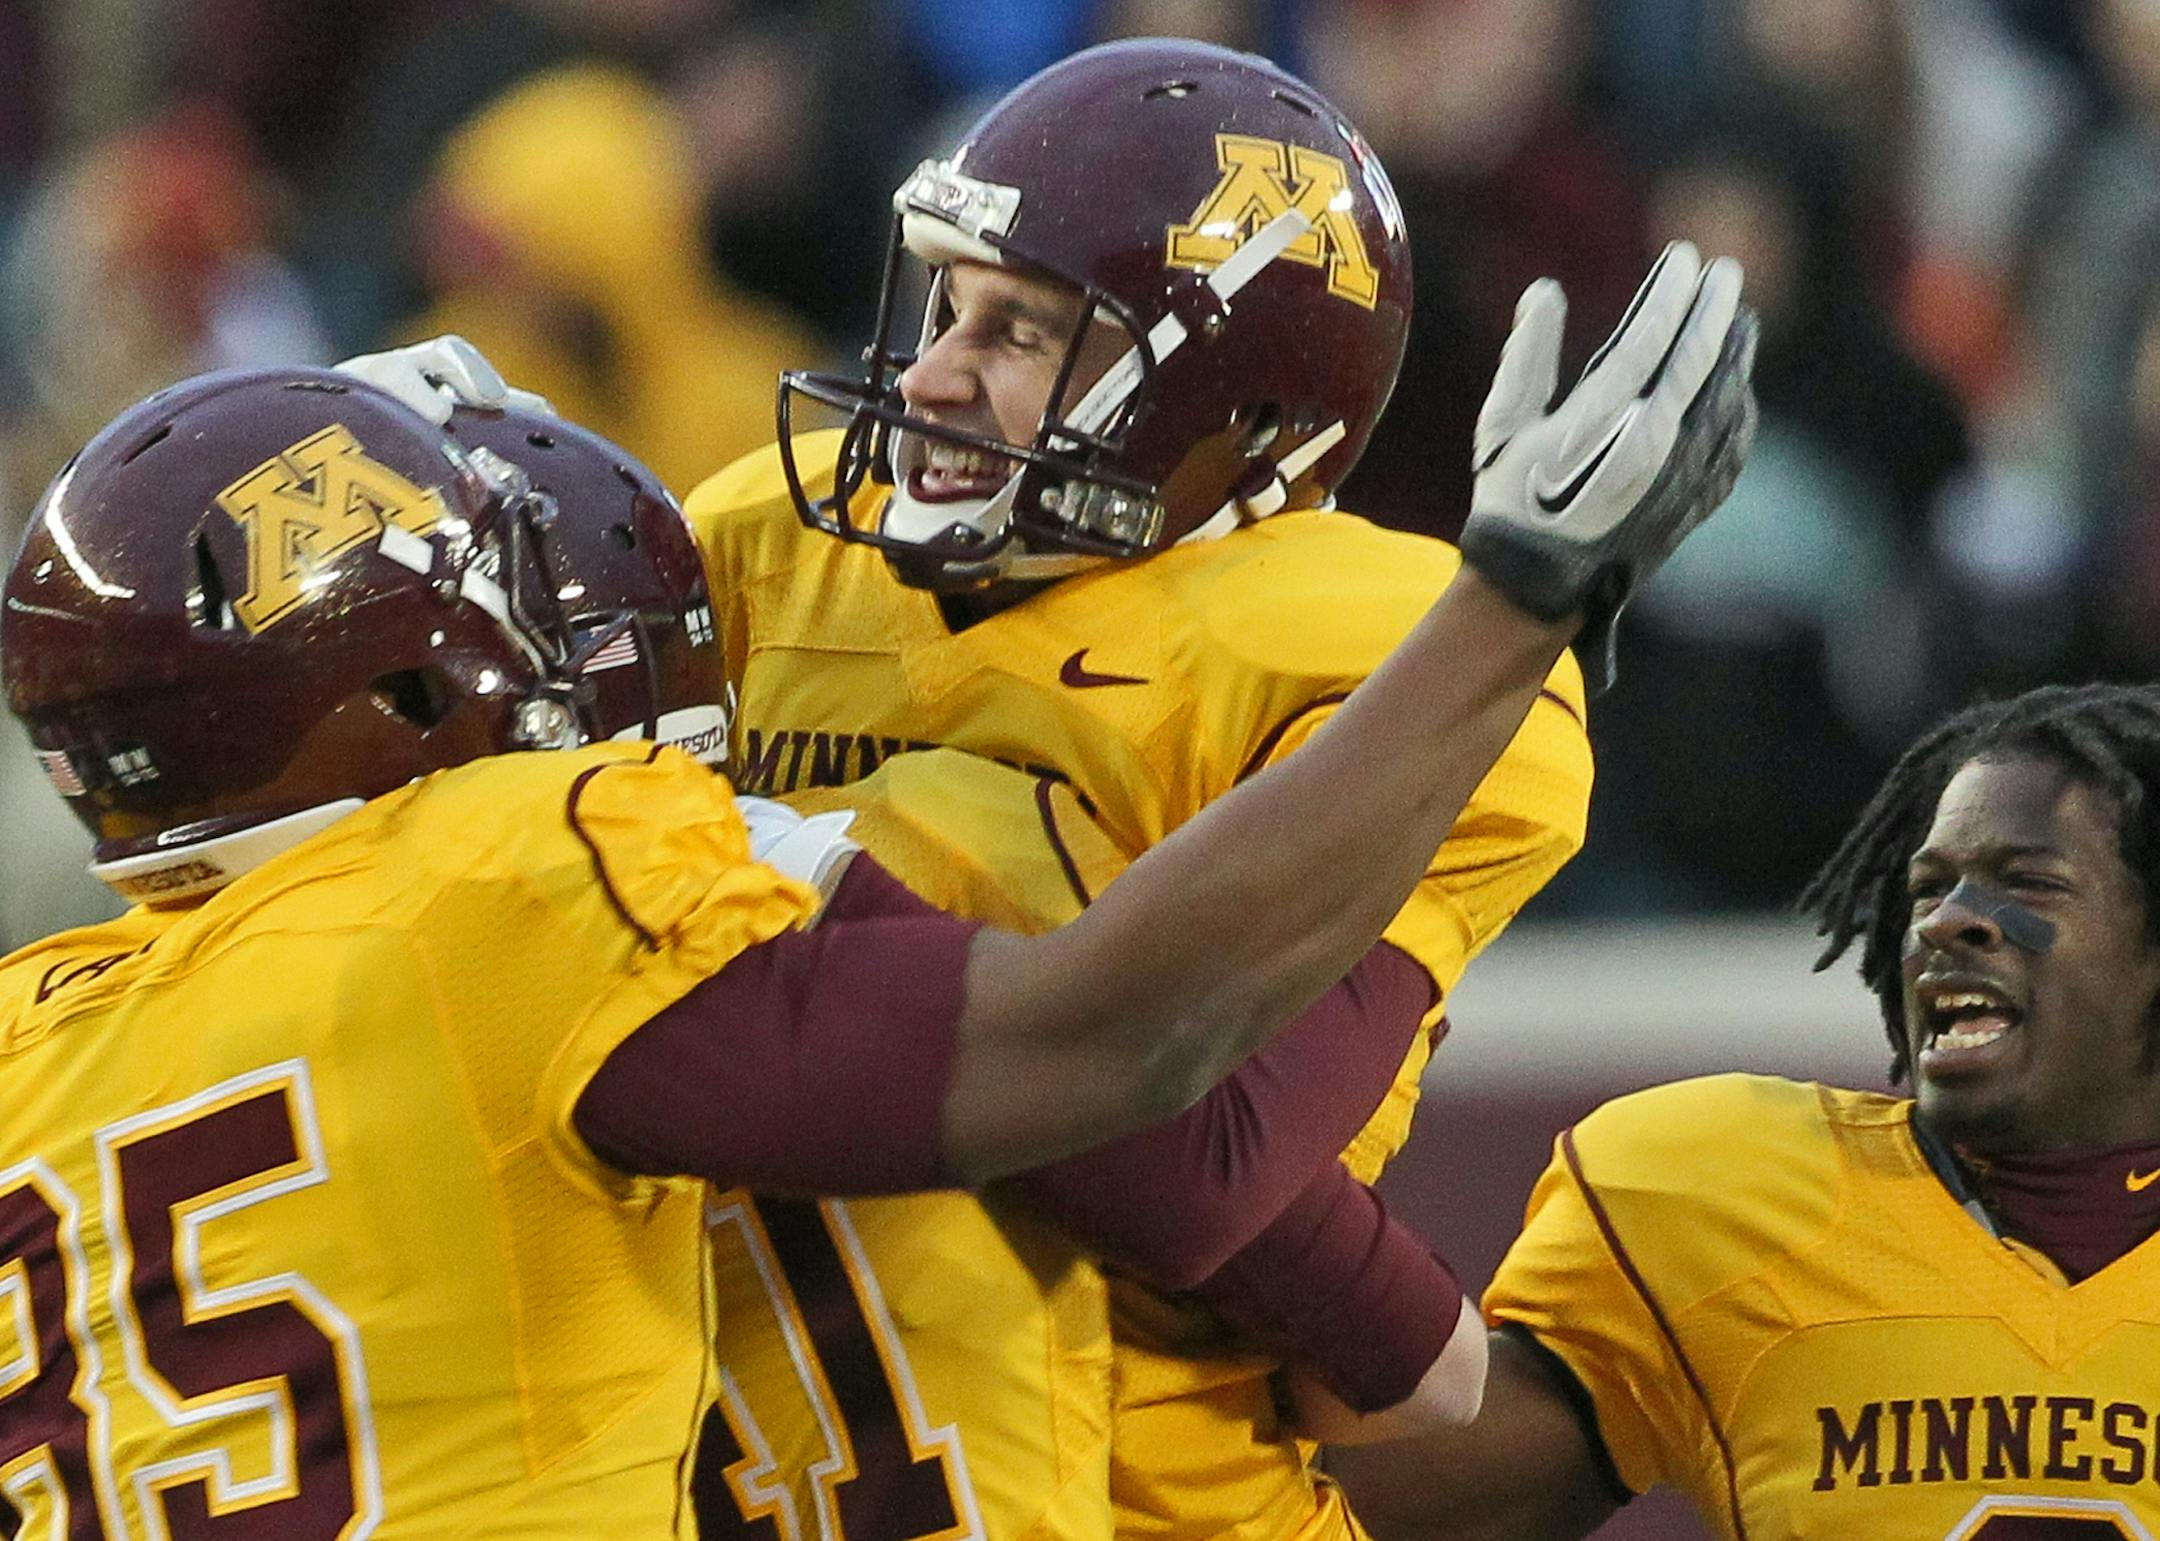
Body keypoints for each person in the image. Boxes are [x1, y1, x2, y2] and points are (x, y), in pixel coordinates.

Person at [0, 293, 1746, 1540]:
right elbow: (1138, 1074)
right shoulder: (515, 880)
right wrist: (1511, 611)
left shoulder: (30, 1029)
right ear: (388, 688)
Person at [352, 35, 1757, 1540]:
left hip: (1138, 1492)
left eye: (1026, 332)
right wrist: (1380, 1311)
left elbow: (1198, 1166)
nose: (937, 370)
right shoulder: (770, 540)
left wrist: (810, 878)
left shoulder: (1386, 660)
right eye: (947, 303)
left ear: (1244, 413)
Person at [1329, 681, 2160, 1541]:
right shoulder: (1735, 1204)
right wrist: (1287, 1227)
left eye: (2029, 882)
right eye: (1928, 888)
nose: (1948, 923)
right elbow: (1345, 1519)